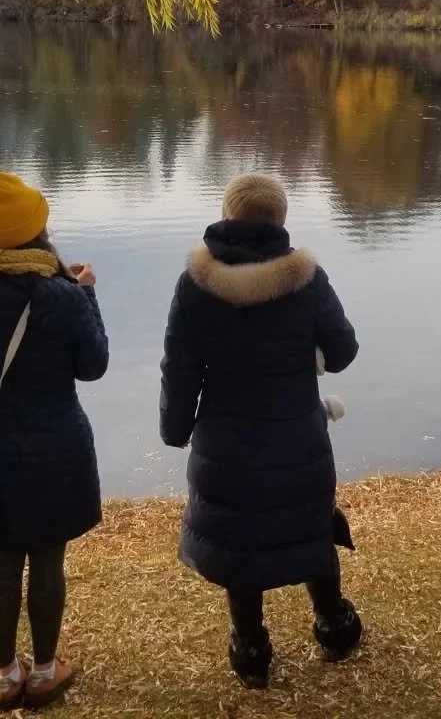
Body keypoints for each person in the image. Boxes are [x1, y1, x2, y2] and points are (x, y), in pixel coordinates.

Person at [160, 173, 362, 689]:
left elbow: (179, 369)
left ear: (227, 215)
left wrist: (175, 429)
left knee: (238, 542)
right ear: (281, 220)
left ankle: (250, 649)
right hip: (296, 433)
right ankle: (333, 624)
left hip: (224, 440)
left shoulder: (194, 283)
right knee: (310, 524)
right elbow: (342, 350)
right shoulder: (307, 279)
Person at [0, 161, 109, 711]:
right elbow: (94, 365)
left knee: (3, 560)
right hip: (55, 444)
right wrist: (86, 294)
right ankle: (42, 671)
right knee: (48, 559)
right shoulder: (58, 296)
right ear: (33, 231)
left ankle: (4, 674)